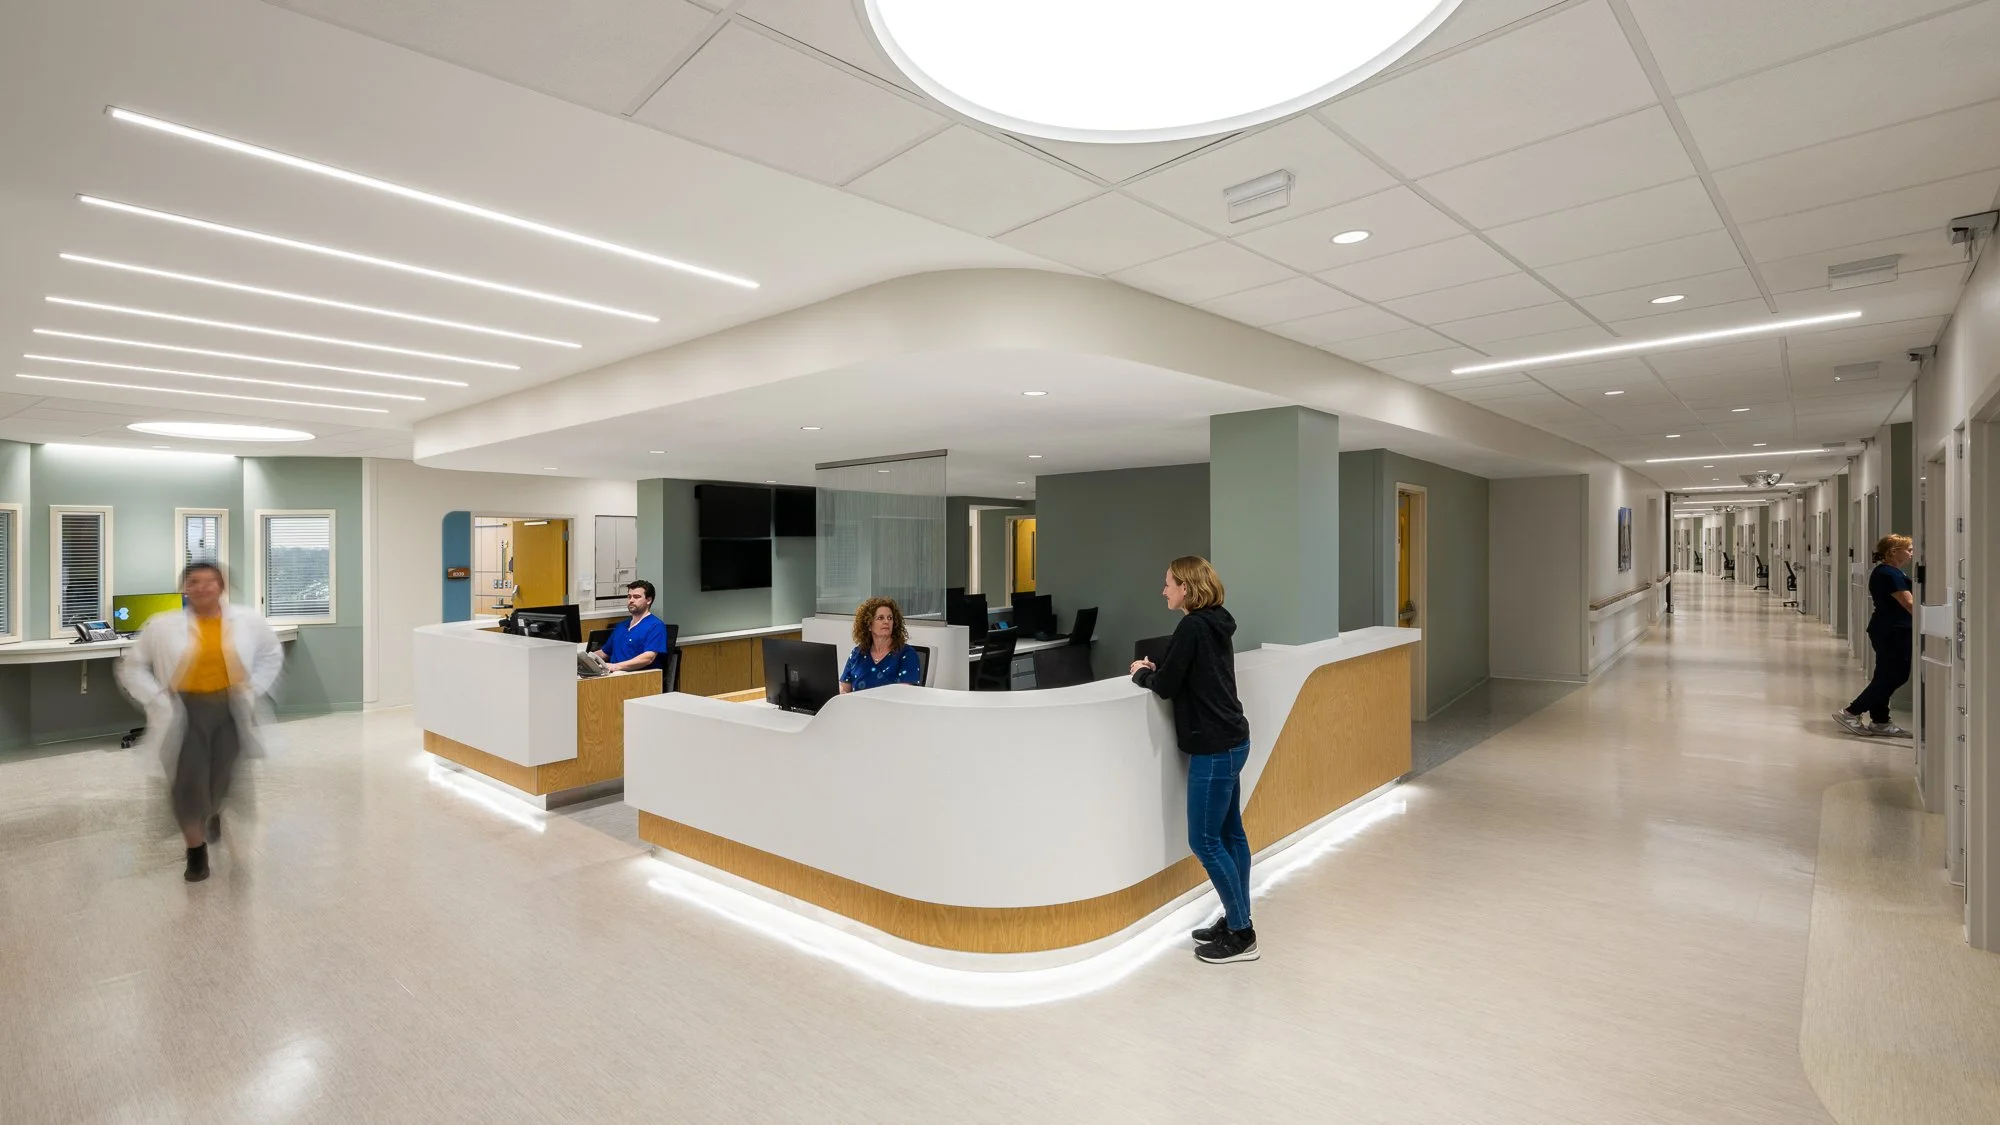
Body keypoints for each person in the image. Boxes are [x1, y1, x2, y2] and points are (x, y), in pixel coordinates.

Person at [116, 562, 283, 882]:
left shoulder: (247, 620)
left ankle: (213, 811)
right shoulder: (162, 625)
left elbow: (271, 654)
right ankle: (196, 851)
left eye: (211, 581)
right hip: (184, 711)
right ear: (185, 588)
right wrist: (155, 696)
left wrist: (254, 686)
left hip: (230, 709)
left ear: (222, 586)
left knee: (223, 779)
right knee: (188, 783)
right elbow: (132, 666)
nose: (203, 587)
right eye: (194, 581)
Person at [1130, 555, 1257, 965]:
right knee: (1231, 835)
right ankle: (1237, 918)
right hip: (1234, 739)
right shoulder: (1216, 621)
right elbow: (1190, 673)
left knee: (1204, 840)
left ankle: (1242, 934)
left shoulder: (1191, 626)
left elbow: (1167, 685)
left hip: (1215, 748)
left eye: (1168, 584)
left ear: (1185, 588)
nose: (1163, 591)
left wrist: (1141, 673)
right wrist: (1163, 668)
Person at [1835, 534, 1916, 738]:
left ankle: (1880, 721)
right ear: (1893, 552)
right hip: (1893, 631)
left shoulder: (1890, 572)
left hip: (1890, 629)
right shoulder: (1889, 574)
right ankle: (1851, 712)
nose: (1912, 553)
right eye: (1909, 549)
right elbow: (1909, 603)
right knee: (1895, 675)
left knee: (1885, 675)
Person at [839, 597, 924, 693]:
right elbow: (844, 690)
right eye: (880, 618)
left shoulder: (907, 654)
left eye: (890, 618)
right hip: (856, 702)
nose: (886, 622)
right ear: (869, 625)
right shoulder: (857, 653)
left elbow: (904, 693)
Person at [596, 580, 670, 673]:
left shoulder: (656, 626)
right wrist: (586, 658)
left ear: (649, 600)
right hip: (613, 675)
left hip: (637, 677)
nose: (631, 600)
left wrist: (616, 666)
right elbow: (605, 653)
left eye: (636, 597)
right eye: (629, 597)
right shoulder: (621, 626)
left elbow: (648, 658)